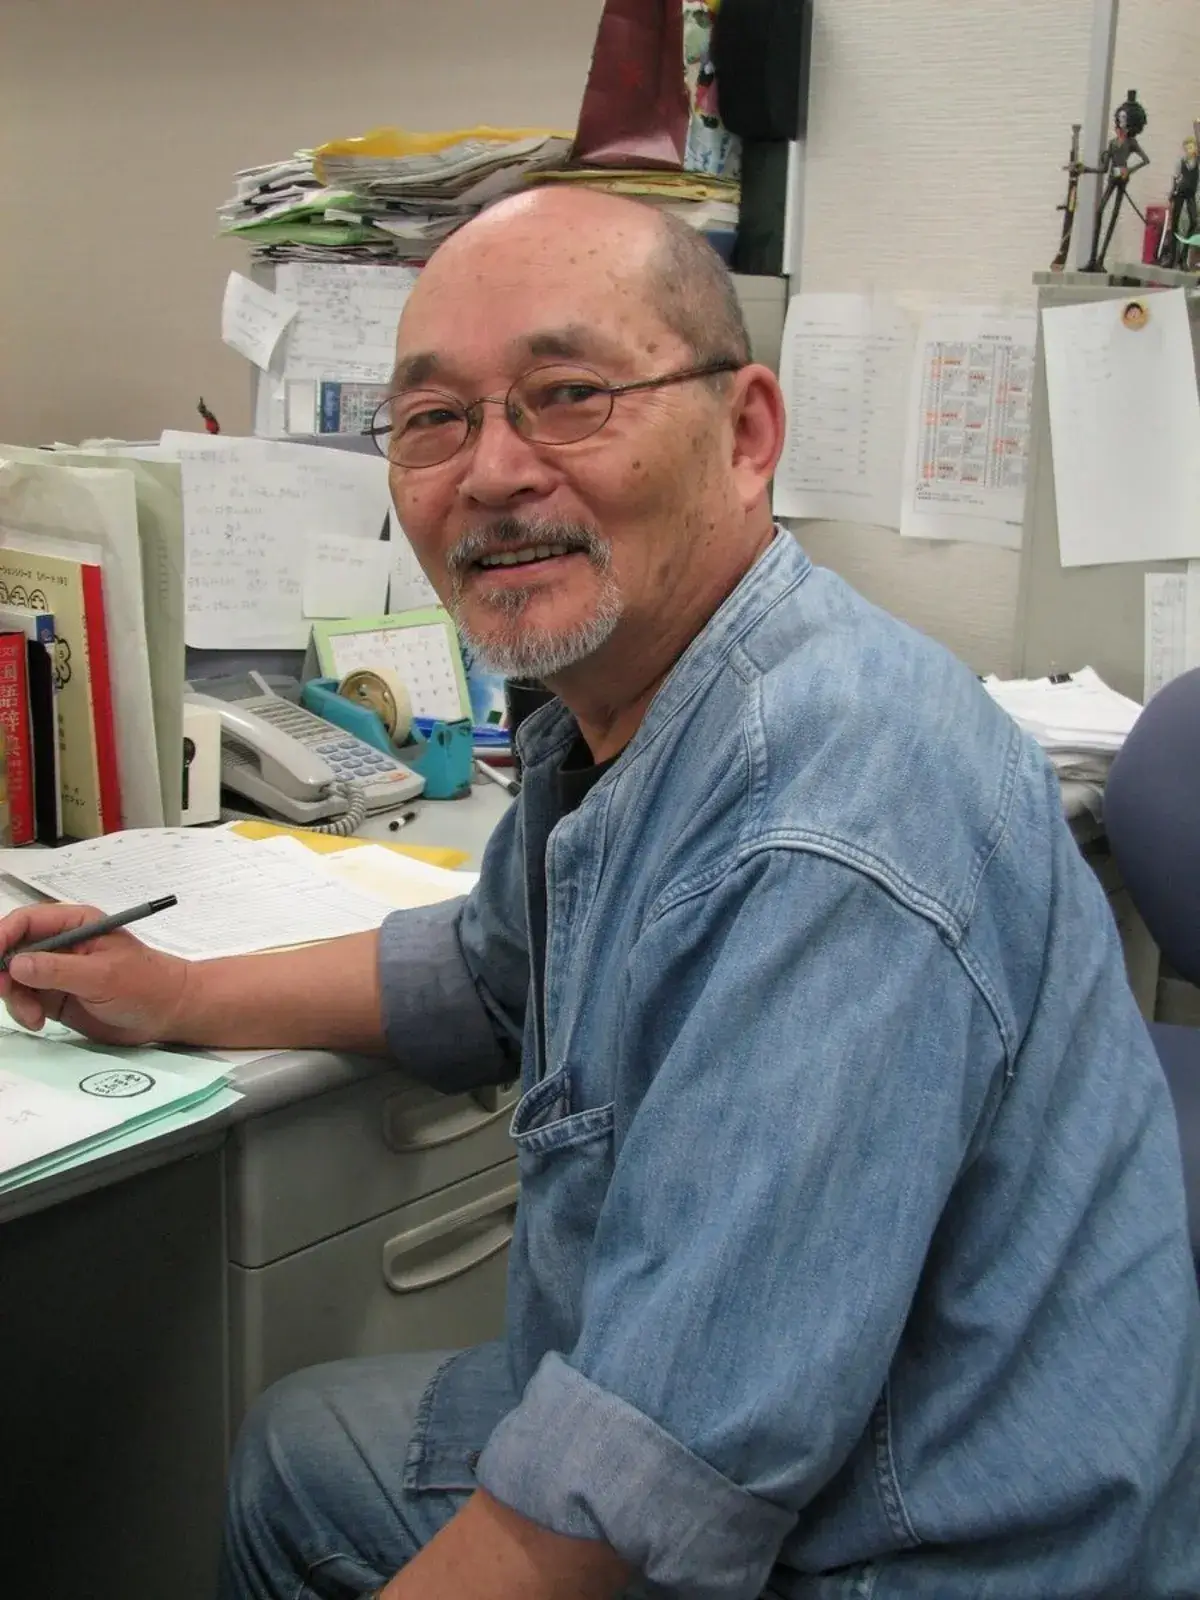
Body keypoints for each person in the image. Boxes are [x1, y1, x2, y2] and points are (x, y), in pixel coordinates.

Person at [2, 188, 1198, 1600]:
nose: (492, 472)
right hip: (827, 1440)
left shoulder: (825, 818)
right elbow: (486, 969)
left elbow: (647, 1475)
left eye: (569, 396)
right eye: (433, 419)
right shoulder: (633, 703)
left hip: (935, 1543)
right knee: (298, 1449)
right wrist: (176, 994)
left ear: (745, 433)